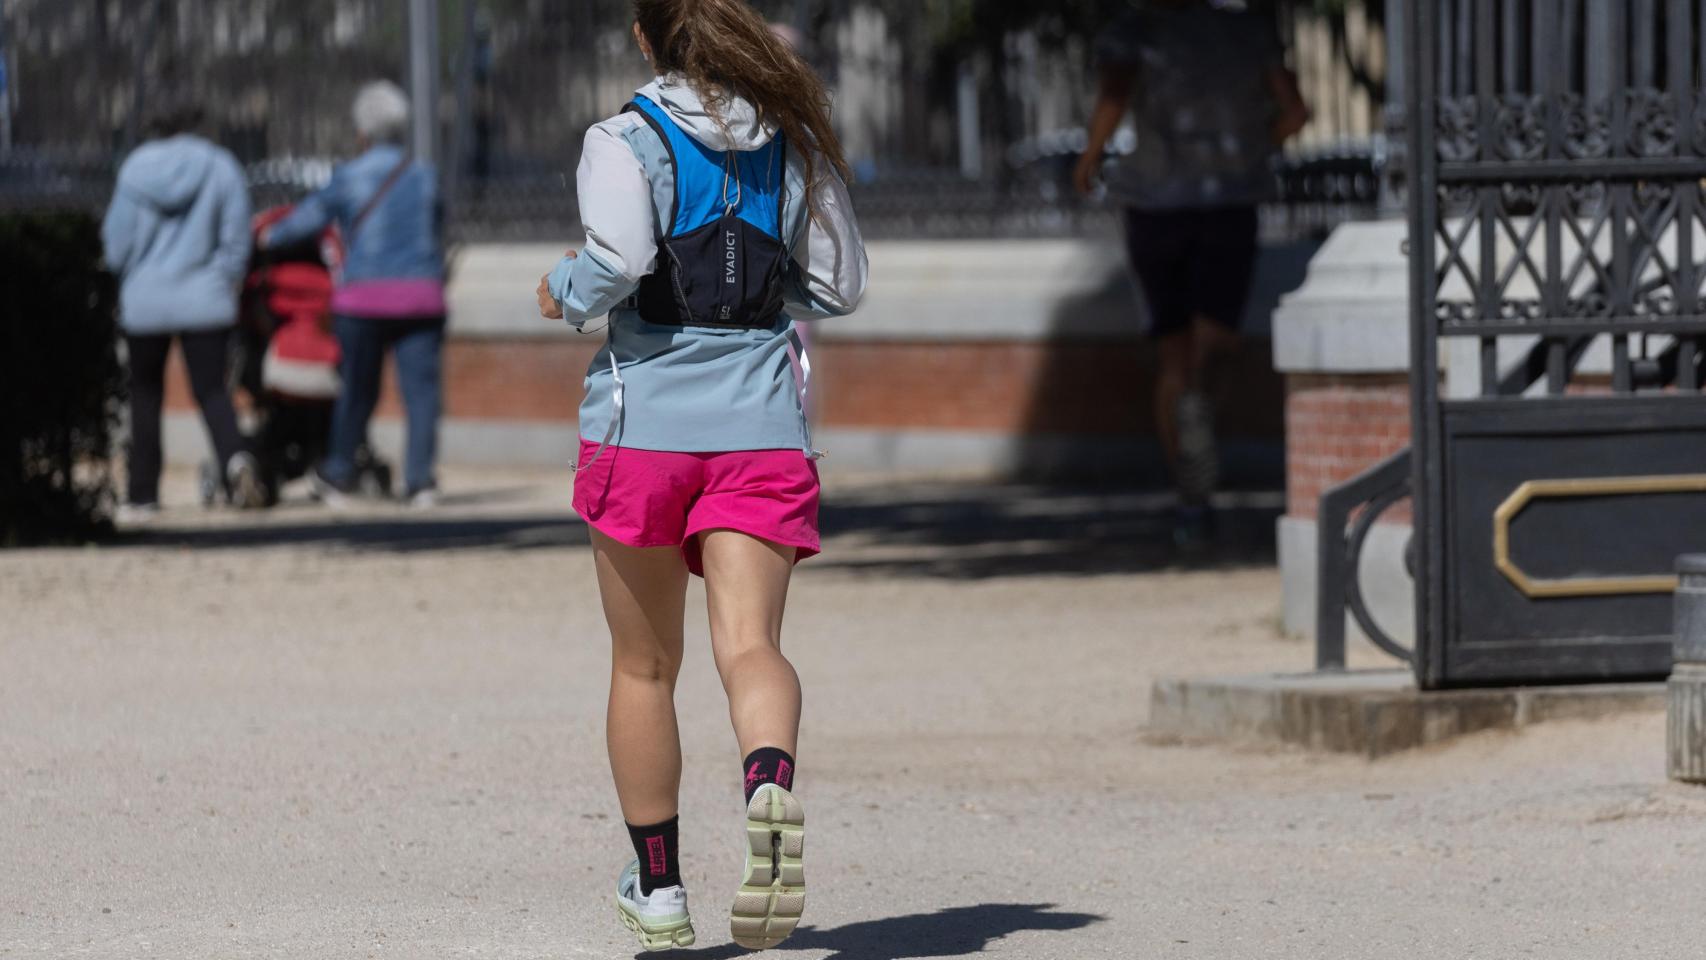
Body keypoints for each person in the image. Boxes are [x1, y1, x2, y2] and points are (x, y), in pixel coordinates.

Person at [534, 0, 867, 950]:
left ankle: (661, 889)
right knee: (749, 647)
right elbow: (839, 284)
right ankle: (768, 782)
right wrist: (768, 295)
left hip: (643, 427)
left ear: (646, 36)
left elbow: (620, 258)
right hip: (761, 425)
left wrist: (564, 292)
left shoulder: (624, 137)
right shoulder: (795, 141)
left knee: (644, 666)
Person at [1074, 0, 1308, 546]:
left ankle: (1190, 497)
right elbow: (1294, 112)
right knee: (1215, 344)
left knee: (1172, 355)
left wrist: (1091, 155)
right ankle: (1201, 413)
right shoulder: (1248, 30)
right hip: (1230, 200)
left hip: (1155, 205)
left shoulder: (1134, 28)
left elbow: (1114, 96)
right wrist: (1250, 150)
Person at [263, 80, 447, 509]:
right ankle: (421, 482)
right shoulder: (424, 175)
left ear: (361, 133)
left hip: (363, 299)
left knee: (357, 391)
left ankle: (340, 473)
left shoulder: (348, 176)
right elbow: (438, 227)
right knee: (420, 395)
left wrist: (270, 234)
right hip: (421, 296)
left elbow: (305, 221)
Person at [103, 99, 261, 517]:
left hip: (145, 299)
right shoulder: (221, 165)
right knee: (212, 390)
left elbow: (116, 242)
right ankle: (235, 460)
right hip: (206, 298)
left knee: (145, 395)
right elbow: (237, 238)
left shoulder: (135, 169)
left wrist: (128, 275)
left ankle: (142, 494)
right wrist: (225, 280)